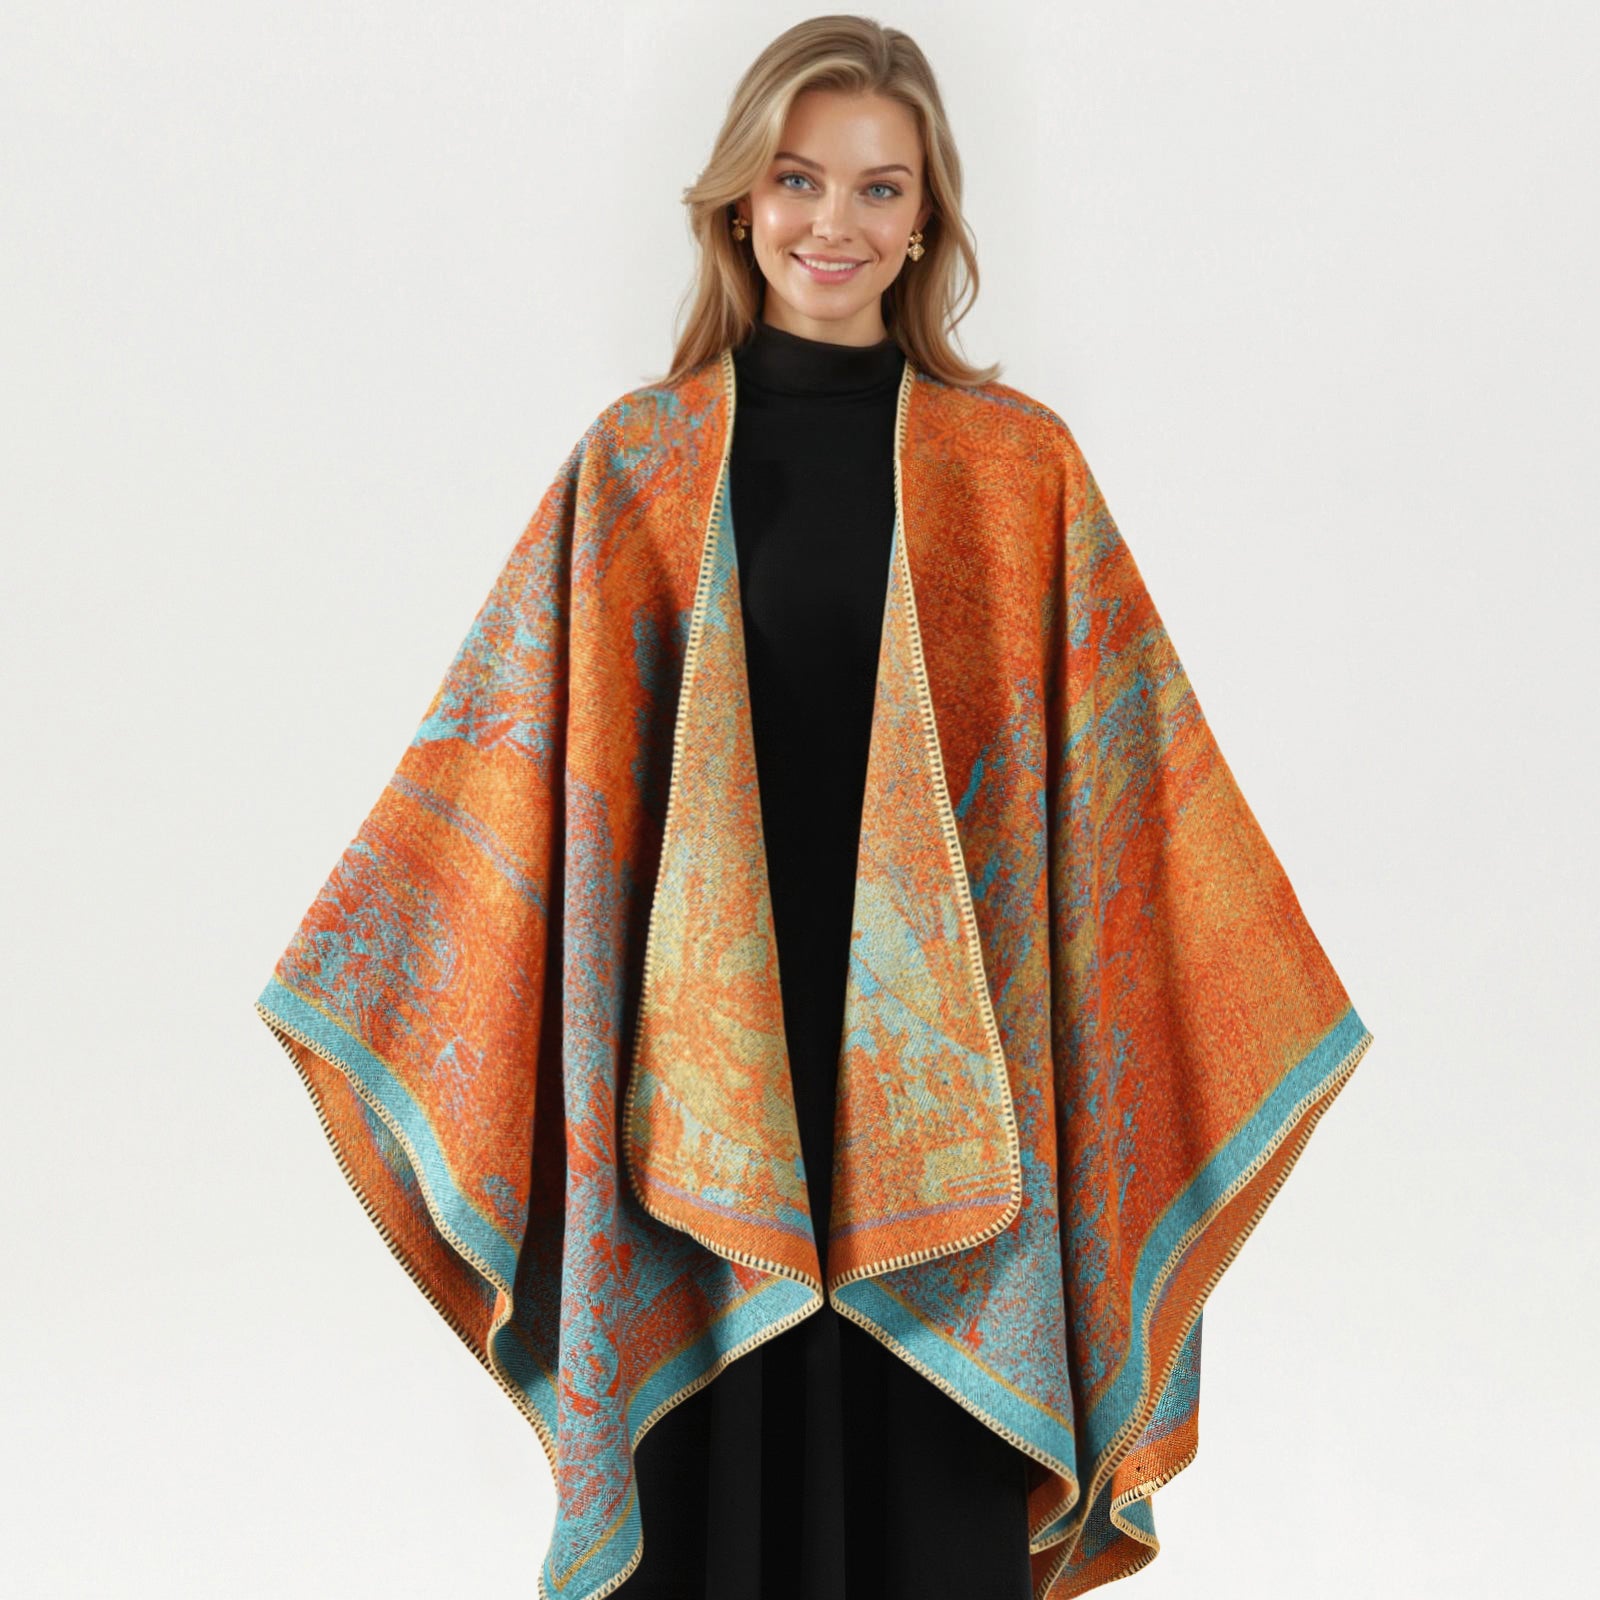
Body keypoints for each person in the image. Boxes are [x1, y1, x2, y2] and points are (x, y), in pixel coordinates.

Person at [615, 18, 1036, 1600]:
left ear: (926, 218)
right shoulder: (643, 467)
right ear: (740, 201)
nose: (832, 224)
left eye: (879, 186)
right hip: (716, 1074)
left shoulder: (1016, 472)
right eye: (797, 179)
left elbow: (1105, 811)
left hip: (945, 1080)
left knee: (926, 1493)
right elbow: (550, 793)